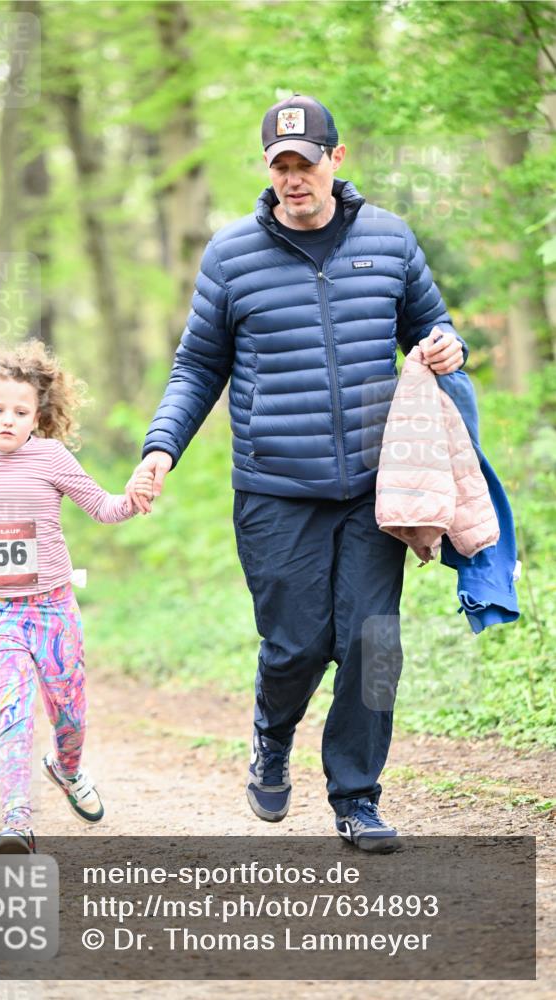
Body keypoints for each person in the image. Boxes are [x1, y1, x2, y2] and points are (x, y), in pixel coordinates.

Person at [126, 95, 466, 852]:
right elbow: (196, 367)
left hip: (377, 488)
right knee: (294, 646)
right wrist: (160, 448)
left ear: (334, 161)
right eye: (280, 166)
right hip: (276, 490)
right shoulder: (230, 256)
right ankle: (271, 740)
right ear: (267, 170)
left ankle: (357, 797)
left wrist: (448, 347)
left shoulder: (389, 239)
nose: (293, 180)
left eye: (305, 164)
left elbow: (434, 327)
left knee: (374, 643)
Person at [0, 340, 153, 854]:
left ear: (39, 416)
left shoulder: (50, 457)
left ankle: (67, 768)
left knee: (69, 714)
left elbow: (102, 507)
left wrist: (133, 498)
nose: (8, 420)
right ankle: (17, 822)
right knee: (11, 710)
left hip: (52, 607)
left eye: (20, 411)